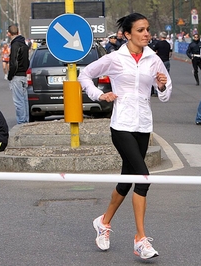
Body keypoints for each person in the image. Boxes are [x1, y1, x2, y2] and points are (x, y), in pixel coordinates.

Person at [78, 13, 172, 260]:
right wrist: (99, 95)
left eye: (147, 29)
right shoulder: (115, 58)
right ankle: (140, 239)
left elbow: (165, 90)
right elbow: (84, 74)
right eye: (140, 30)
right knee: (143, 179)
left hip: (143, 125)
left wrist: (161, 85)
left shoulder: (153, 59)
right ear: (127, 34)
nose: (146, 34)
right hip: (121, 126)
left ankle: (104, 221)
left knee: (126, 180)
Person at [7, 25, 30, 124]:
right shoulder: (24, 44)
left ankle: (21, 123)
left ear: (9, 33)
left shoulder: (15, 45)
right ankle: (25, 121)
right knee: (24, 100)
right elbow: (27, 61)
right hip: (24, 75)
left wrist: (10, 75)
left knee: (18, 101)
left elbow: (13, 63)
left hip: (17, 76)